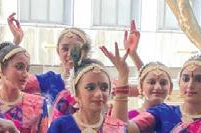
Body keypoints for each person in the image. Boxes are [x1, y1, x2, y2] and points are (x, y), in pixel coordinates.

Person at [8, 13, 141, 120]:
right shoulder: (51, 80)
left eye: (76, 48)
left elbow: (145, 88)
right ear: (58, 51)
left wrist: (133, 55)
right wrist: (15, 43)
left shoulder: (98, 81)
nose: (70, 54)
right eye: (65, 48)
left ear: (86, 51)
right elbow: (9, 80)